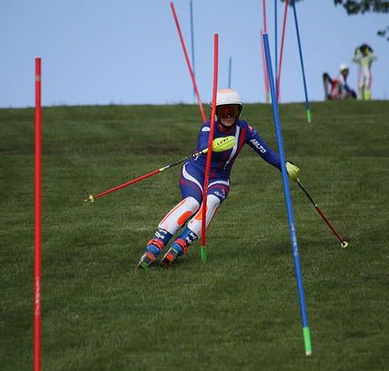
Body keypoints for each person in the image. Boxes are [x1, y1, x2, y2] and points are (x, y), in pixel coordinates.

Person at [137, 89, 300, 269]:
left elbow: (266, 152)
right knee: (192, 203)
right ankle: (157, 242)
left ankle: (181, 243)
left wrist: (284, 165)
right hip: (196, 172)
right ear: (215, 111)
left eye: (233, 110)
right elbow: (202, 145)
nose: (229, 115)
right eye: (223, 110)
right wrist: (211, 145)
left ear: (239, 111)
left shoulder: (245, 130)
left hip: (220, 177)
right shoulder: (208, 127)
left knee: (211, 201)